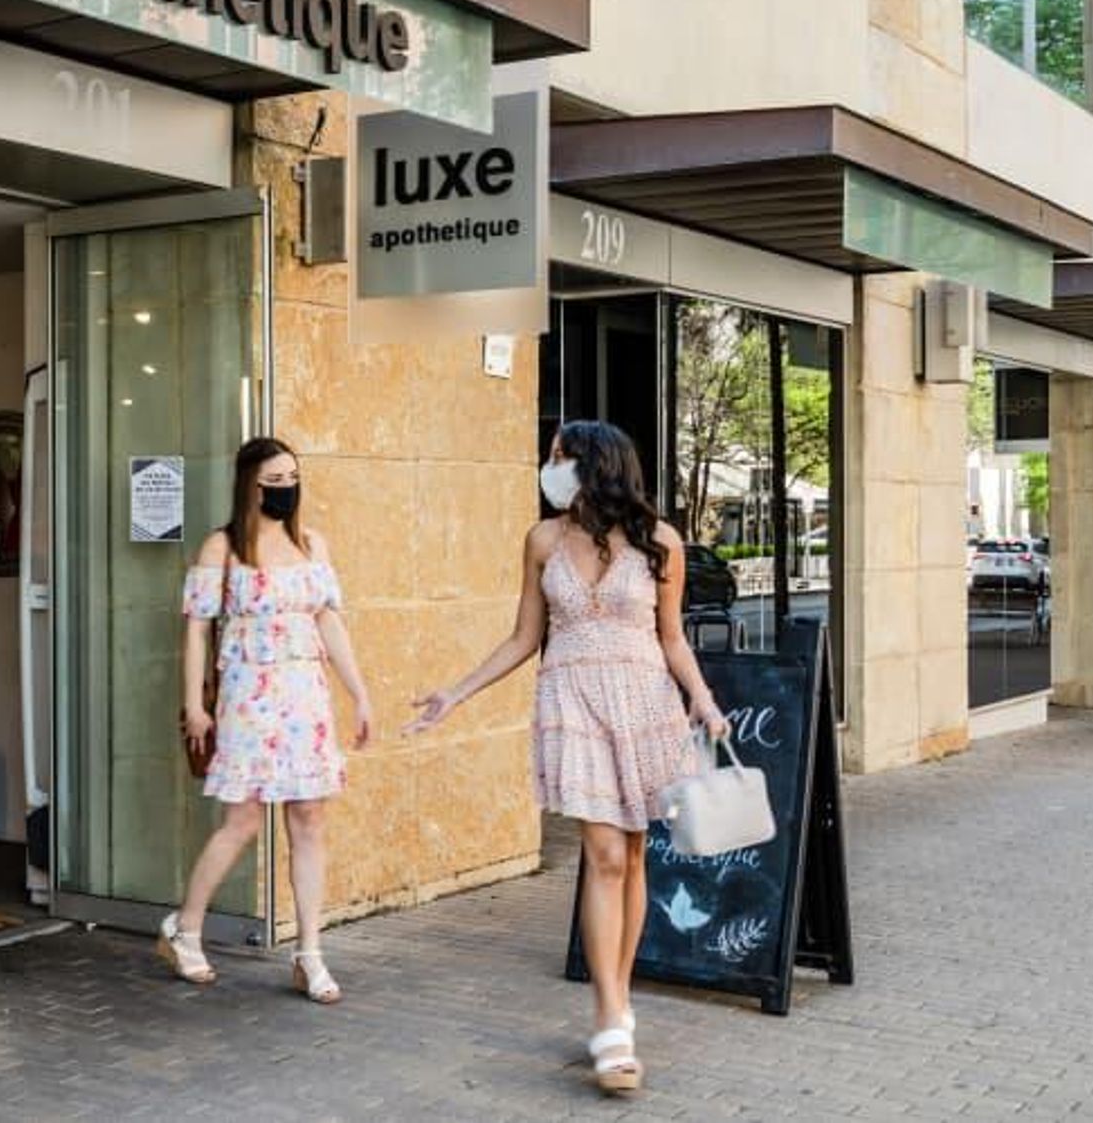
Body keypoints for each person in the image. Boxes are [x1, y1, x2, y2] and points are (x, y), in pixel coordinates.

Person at [406, 420, 727, 1094]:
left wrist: (702, 699)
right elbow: (524, 636)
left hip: (644, 705)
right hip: (572, 704)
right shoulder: (543, 540)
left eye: (558, 457)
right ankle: (609, 1019)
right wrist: (455, 693)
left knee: (633, 855)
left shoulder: (661, 540)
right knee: (604, 853)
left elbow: (672, 638)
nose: (549, 467)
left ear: (594, 464)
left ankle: (619, 997)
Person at [158, 437, 371, 1003]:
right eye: (274, 481)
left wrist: (359, 693)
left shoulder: (312, 543)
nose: (286, 489)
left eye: (292, 479)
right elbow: (196, 631)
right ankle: (186, 929)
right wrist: (195, 706)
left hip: (305, 697)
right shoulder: (222, 547)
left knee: (309, 819)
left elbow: (329, 622)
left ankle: (309, 954)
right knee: (243, 820)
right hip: (248, 697)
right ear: (249, 485)